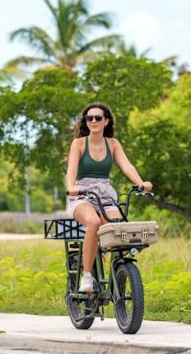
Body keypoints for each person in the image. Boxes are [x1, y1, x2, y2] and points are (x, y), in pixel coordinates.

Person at [66, 103, 152, 293]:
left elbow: (127, 166)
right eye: (89, 118)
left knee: (118, 227)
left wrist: (141, 183)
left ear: (106, 121)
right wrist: (71, 187)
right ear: (86, 122)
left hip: (105, 194)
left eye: (98, 118)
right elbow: (71, 170)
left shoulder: (113, 144)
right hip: (82, 195)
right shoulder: (79, 144)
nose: (93, 121)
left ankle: (119, 271)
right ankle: (87, 276)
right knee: (93, 222)